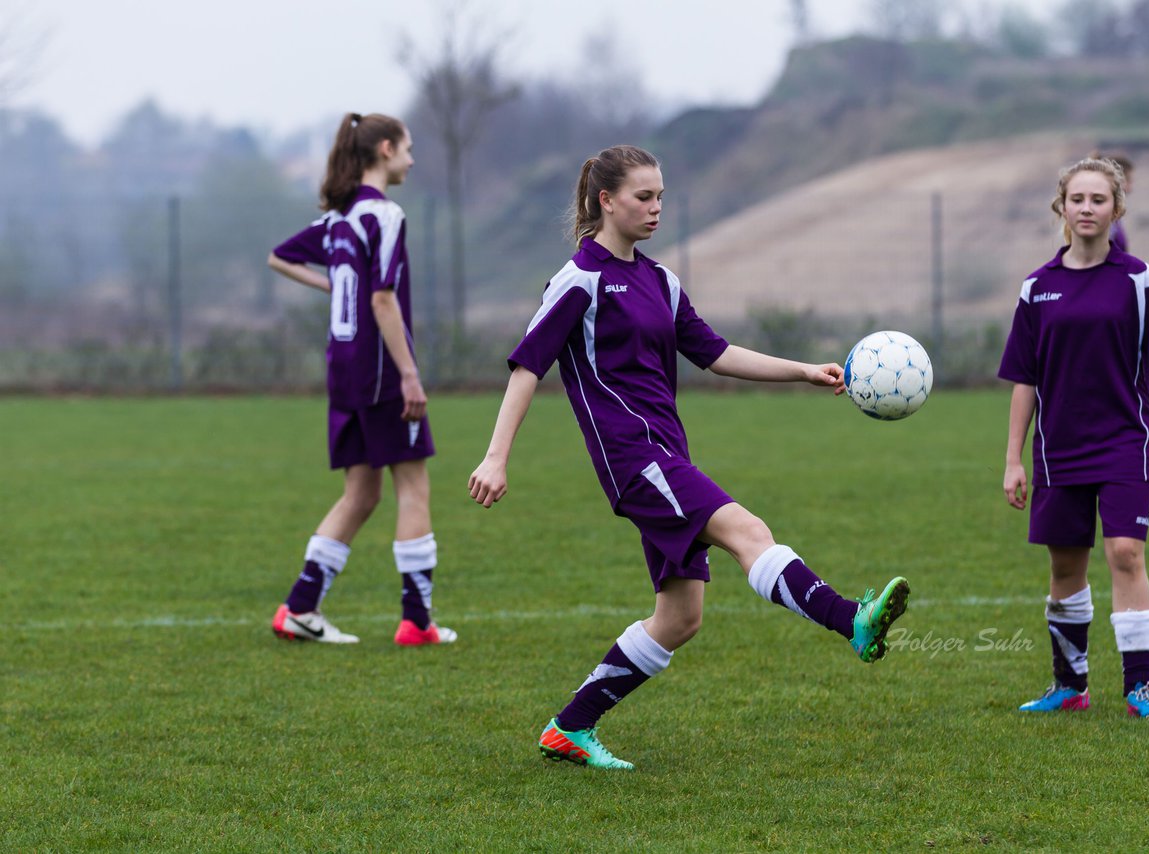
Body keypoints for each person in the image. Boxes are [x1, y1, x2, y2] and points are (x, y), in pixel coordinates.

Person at [468, 144, 909, 770]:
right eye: (644, 197)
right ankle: (851, 620)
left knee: (679, 617)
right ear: (606, 201)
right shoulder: (579, 281)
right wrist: (495, 458)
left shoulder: (659, 280)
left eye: (661, 197)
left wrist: (803, 372)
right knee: (748, 530)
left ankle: (570, 727)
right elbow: (525, 369)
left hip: (666, 454)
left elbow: (715, 351)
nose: (655, 209)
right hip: (634, 459)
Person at [999, 156, 1149, 719]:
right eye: (1078, 199)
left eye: (1098, 200)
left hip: (1125, 442)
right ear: (1062, 206)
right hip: (1058, 449)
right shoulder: (1037, 288)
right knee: (1065, 567)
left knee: (1126, 554)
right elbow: (1023, 380)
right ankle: (1071, 685)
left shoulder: (1137, 280)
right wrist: (1013, 459)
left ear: (1116, 208)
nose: (1087, 209)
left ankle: (1140, 688)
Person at [265, 112, 455, 647]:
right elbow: (382, 298)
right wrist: (410, 376)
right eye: (410, 150)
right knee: (413, 486)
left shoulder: (339, 219)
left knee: (362, 493)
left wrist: (332, 288)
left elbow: (279, 258)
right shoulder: (384, 216)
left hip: (342, 369)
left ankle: (300, 608)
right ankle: (417, 621)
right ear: (387, 149)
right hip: (380, 373)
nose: (413, 160)